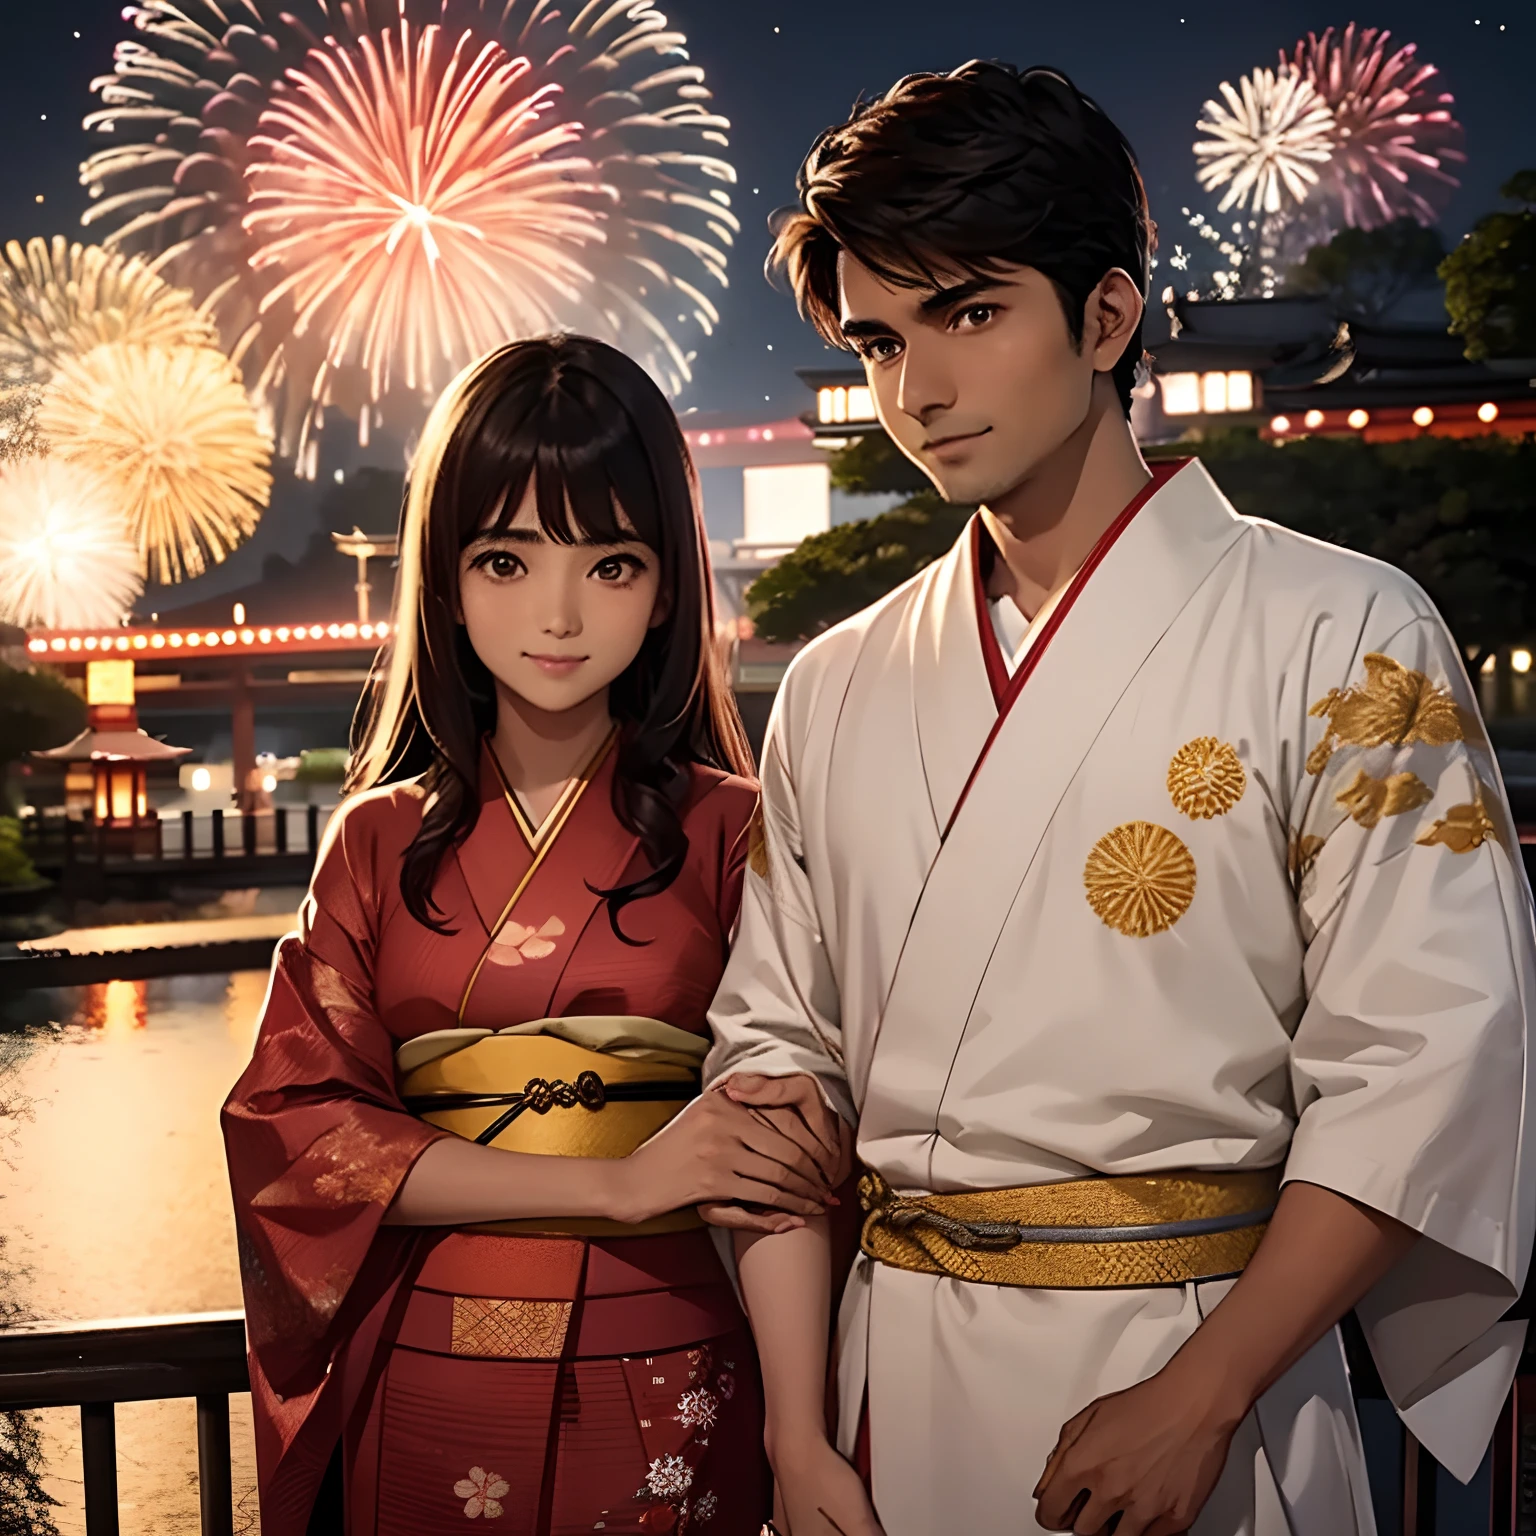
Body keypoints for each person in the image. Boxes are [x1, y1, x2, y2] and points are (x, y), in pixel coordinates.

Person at [702, 61, 1536, 1536]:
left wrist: (1204, 1392)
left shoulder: (1345, 628)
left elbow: (1426, 1063)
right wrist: (795, 1435)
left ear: (1106, 315)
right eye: (882, 341)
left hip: (1209, 1380)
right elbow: (771, 1074)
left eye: (968, 313)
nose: (920, 392)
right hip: (885, 1397)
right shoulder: (832, 685)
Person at [222, 336, 839, 1536]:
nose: (557, 614)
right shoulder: (373, 843)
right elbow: (296, 1132)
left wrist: (800, 1437)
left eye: (611, 564)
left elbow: (786, 1153)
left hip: (675, 1362)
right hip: (429, 1370)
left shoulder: (736, 831)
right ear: (444, 581)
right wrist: (619, 1184)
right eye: (506, 559)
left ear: (668, 586)